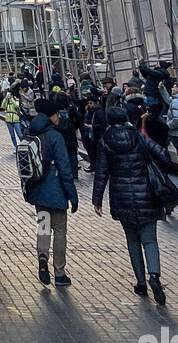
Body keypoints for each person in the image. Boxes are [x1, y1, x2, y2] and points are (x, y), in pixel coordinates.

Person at [93, 104, 174, 304]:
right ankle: (154, 275)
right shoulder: (139, 136)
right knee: (150, 240)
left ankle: (140, 283)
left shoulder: (106, 141)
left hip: (122, 198)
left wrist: (97, 199)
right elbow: (163, 155)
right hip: (146, 193)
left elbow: (101, 172)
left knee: (132, 241)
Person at [22, 99, 78, 288]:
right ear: (50, 115)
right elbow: (64, 168)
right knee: (60, 231)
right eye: (56, 114)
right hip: (56, 193)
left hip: (38, 191)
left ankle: (43, 258)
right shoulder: (55, 136)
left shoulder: (30, 132)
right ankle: (60, 273)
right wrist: (72, 195)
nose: (59, 117)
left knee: (44, 227)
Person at [81, 92, 106, 173]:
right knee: (91, 152)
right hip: (89, 135)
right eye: (88, 103)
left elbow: (103, 124)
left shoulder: (99, 112)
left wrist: (92, 126)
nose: (89, 105)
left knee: (95, 152)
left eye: (91, 103)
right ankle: (93, 165)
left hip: (96, 135)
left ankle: (95, 166)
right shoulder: (89, 111)